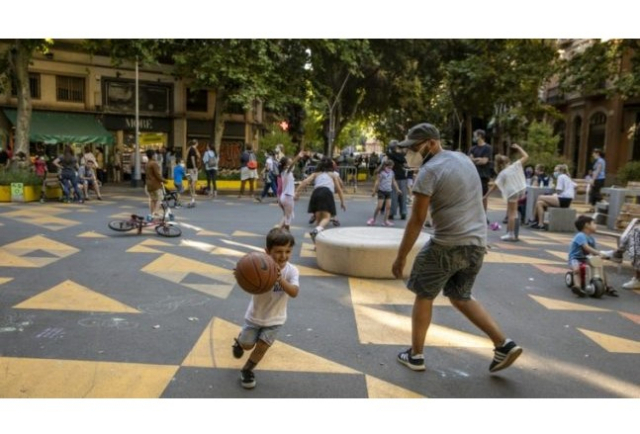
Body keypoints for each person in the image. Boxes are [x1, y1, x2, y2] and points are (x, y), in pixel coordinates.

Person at [391, 122, 522, 374]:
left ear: (431, 143)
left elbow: (417, 220)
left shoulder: (428, 171)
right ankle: (503, 344)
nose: (411, 153)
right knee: (460, 296)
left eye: (415, 147)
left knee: (424, 293)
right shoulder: (463, 158)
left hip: (447, 245)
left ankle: (415, 355)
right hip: (476, 244)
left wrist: (400, 257)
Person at [231, 228, 300, 389]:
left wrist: (280, 279)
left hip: (276, 319)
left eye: (288, 251)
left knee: (262, 347)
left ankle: (247, 370)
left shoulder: (292, 271)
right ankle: (240, 343)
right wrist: (242, 274)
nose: (283, 256)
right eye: (278, 251)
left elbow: (294, 292)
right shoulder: (258, 265)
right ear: (267, 251)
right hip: (255, 316)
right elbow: (247, 280)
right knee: (248, 345)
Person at [294, 157, 346, 243]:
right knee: (326, 217)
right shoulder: (332, 175)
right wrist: (342, 202)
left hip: (315, 193)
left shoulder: (316, 174)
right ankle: (316, 231)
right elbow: (339, 189)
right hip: (327, 193)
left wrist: (297, 193)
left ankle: (317, 244)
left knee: (318, 221)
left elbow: (304, 182)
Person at [483, 144, 529, 241]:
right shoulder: (515, 166)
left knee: (511, 213)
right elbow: (526, 156)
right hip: (520, 189)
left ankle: (511, 234)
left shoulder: (502, 173)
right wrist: (519, 147)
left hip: (512, 192)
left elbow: (495, 186)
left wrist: (486, 196)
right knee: (514, 212)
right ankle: (513, 233)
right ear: (507, 161)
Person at [567, 215, 618, 297]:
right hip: (575, 258)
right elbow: (586, 248)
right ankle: (577, 286)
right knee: (576, 270)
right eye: (594, 223)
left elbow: (593, 252)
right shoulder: (580, 235)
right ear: (587, 225)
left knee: (600, 267)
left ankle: (606, 286)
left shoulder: (592, 239)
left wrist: (603, 256)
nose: (596, 225)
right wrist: (599, 253)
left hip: (586, 258)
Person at [531, 164, 575, 229]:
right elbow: (575, 186)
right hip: (567, 200)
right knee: (539, 203)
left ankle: (533, 218)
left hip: (563, 199)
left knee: (540, 197)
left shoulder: (561, 177)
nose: (555, 173)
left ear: (560, 171)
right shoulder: (567, 177)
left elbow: (559, 190)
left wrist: (554, 191)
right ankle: (540, 224)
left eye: (556, 171)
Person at [367, 159, 402, 226]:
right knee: (379, 207)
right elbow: (377, 182)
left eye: (392, 167)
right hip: (381, 191)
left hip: (389, 191)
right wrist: (374, 191)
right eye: (390, 166)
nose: (391, 168)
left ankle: (385, 221)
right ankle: (373, 219)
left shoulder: (392, 172)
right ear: (386, 166)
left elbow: (393, 181)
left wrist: (397, 189)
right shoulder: (381, 173)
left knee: (388, 207)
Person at [468, 129, 493, 222]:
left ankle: (483, 216)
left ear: (480, 136)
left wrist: (475, 159)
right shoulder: (472, 148)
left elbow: (484, 161)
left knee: (483, 196)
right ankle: (473, 215)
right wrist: (478, 159)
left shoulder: (488, 148)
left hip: (483, 175)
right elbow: (469, 160)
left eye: (475, 135)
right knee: (472, 196)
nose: (474, 137)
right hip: (473, 174)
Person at [278, 151, 304, 231]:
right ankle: (283, 233)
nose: (292, 164)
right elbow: (292, 165)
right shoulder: (286, 172)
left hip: (286, 196)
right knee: (288, 218)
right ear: (285, 165)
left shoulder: (285, 173)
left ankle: (279, 232)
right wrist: (298, 157)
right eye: (289, 163)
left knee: (286, 216)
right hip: (287, 197)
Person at [387, 142, 409, 220]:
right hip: (402, 177)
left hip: (394, 177)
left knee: (393, 195)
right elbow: (405, 164)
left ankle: (392, 213)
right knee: (403, 196)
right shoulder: (401, 156)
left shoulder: (390, 156)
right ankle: (403, 212)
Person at [144, 149, 164, 221]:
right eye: (155, 154)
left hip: (149, 184)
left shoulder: (147, 164)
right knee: (160, 198)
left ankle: (152, 213)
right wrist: (164, 180)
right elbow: (157, 175)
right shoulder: (154, 163)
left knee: (152, 200)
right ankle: (155, 213)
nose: (156, 156)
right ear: (152, 156)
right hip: (155, 184)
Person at [186, 139, 200, 204]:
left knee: (189, 180)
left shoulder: (188, 149)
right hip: (192, 168)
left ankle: (191, 192)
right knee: (193, 180)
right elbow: (193, 158)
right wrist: (194, 167)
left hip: (188, 167)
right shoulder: (193, 150)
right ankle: (193, 193)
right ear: (196, 143)